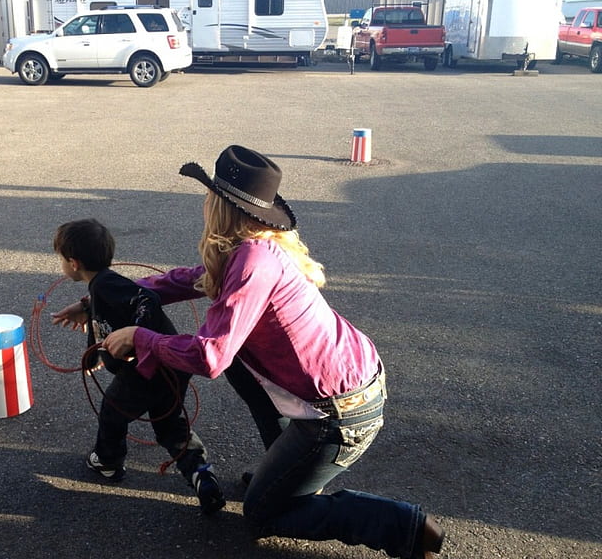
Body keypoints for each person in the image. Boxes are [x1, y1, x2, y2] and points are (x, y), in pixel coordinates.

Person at [102, 146, 446, 558]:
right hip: (349, 383)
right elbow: (191, 279)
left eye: (209, 194)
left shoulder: (253, 261)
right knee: (241, 367)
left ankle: (404, 527)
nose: (204, 202)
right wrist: (107, 296)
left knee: (264, 514)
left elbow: (210, 357)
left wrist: (141, 339)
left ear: (221, 206)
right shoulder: (254, 246)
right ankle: (283, 467)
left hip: (341, 413)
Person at [50, 218, 225, 515]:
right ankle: (200, 474)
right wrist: (94, 357)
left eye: (61, 260)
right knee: (169, 426)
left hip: (146, 370)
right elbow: (98, 322)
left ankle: (107, 461)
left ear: (73, 263)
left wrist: (139, 337)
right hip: (170, 367)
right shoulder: (101, 288)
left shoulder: (106, 284)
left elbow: (147, 298)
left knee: (112, 413)